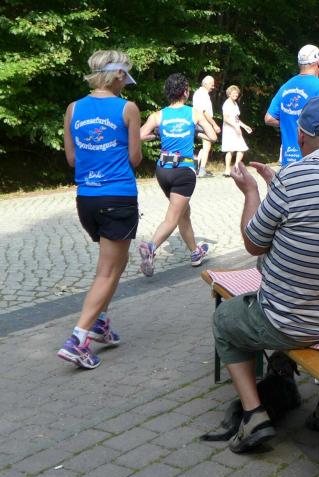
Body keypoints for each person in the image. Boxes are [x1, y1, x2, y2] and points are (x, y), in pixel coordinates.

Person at [219, 96, 319, 453]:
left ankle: (254, 415)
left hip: (291, 324)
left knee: (224, 319)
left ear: (301, 138)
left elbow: (253, 243)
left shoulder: (293, 178)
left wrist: (252, 192)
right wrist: (279, 187)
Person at [58, 50, 142, 369]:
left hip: (87, 199)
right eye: (126, 75)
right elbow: (135, 158)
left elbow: (71, 159)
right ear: (119, 74)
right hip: (117, 196)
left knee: (115, 262)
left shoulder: (73, 108)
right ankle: (78, 339)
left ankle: (100, 322)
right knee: (108, 269)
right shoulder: (127, 108)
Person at [137, 73, 218, 277]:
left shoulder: (158, 115)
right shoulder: (194, 113)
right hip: (183, 172)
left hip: (163, 171)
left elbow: (139, 135)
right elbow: (213, 136)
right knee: (172, 218)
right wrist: (195, 132)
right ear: (186, 92)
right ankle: (150, 248)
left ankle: (195, 252)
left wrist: (157, 133)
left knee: (183, 212)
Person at [264, 44, 319, 166]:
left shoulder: (285, 86)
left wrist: (289, 121)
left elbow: (268, 119)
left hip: (288, 161)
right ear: (318, 63)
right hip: (312, 161)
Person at [191, 75, 221, 177]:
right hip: (203, 122)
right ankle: (201, 169)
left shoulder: (199, 93)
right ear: (206, 84)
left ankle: (199, 167)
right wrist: (214, 124)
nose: (213, 87)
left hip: (199, 121)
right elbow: (204, 112)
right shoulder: (202, 94)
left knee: (206, 145)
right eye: (212, 84)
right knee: (208, 143)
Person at [221, 85, 252, 176]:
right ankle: (227, 170)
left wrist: (245, 126)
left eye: (237, 93)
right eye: (234, 93)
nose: (236, 95)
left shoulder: (235, 104)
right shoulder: (227, 104)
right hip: (229, 129)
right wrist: (235, 127)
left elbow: (236, 119)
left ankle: (236, 167)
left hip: (236, 128)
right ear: (229, 94)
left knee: (241, 148)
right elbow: (226, 119)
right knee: (230, 149)